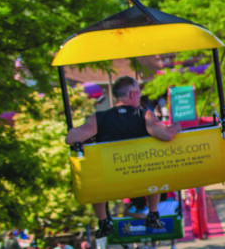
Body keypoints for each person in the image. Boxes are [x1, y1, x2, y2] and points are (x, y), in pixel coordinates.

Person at [65, 76, 180, 229]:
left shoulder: (99, 119)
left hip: (110, 180)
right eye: (138, 93)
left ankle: (103, 221)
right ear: (132, 94)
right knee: (155, 168)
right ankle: (153, 213)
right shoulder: (144, 116)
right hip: (142, 176)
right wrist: (176, 127)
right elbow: (166, 135)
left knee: (94, 175)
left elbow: (70, 139)